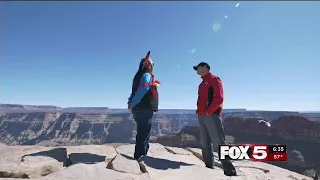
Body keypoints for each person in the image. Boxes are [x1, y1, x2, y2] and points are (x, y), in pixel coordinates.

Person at [193, 62, 237, 176]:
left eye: (197, 68)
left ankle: (230, 170)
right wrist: (200, 112)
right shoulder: (202, 83)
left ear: (205, 67)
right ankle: (209, 167)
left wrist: (209, 111)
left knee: (219, 142)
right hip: (202, 116)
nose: (196, 70)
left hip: (212, 115)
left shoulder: (214, 79)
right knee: (205, 143)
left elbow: (219, 98)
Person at [128, 51, 160, 161]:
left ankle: (140, 155)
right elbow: (143, 89)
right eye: (152, 64)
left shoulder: (137, 76)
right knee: (144, 134)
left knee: (141, 132)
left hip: (137, 109)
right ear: (147, 65)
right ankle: (140, 158)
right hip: (144, 108)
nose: (153, 66)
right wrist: (133, 103)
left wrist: (130, 102)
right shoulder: (146, 75)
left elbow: (133, 92)